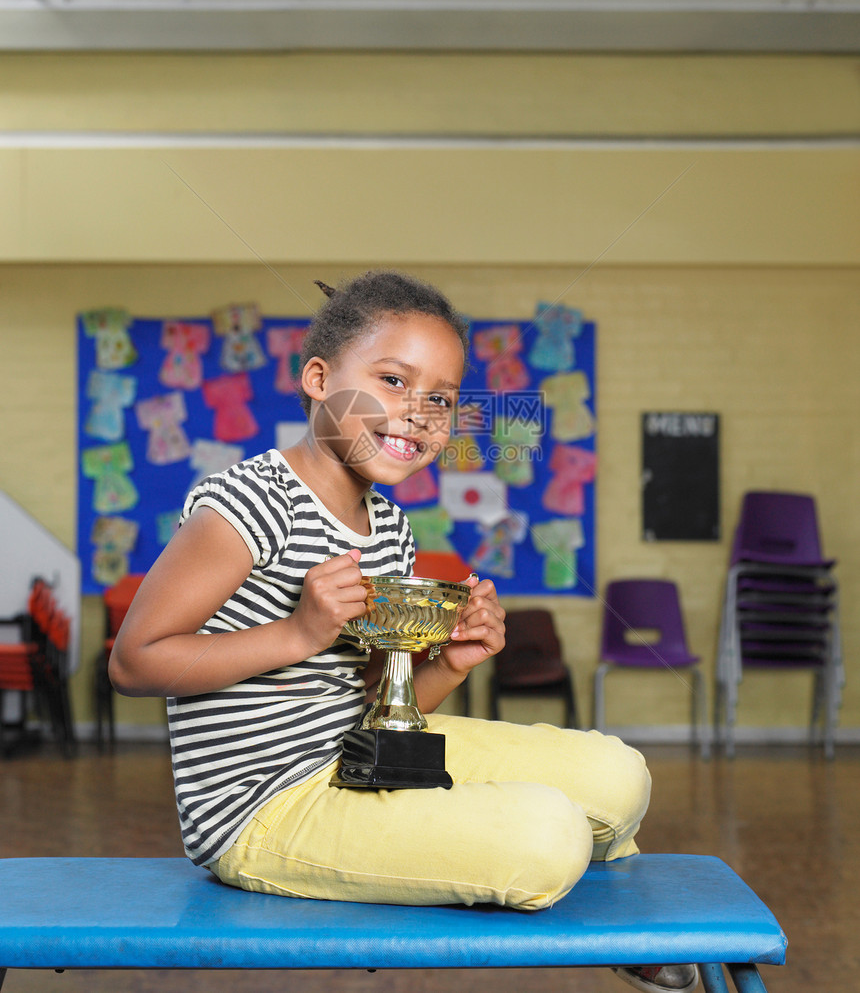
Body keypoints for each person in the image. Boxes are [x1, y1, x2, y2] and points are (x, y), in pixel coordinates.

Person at [109, 270, 697, 993]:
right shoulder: (246, 504)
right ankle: (600, 914)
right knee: (549, 833)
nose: (417, 413)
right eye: (392, 380)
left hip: (364, 755)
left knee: (618, 775)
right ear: (320, 379)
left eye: (441, 400)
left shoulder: (389, 528)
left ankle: (596, 898)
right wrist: (298, 633)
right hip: (264, 808)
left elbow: (373, 694)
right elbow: (134, 663)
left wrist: (452, 661)